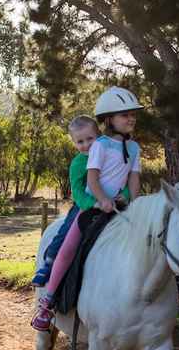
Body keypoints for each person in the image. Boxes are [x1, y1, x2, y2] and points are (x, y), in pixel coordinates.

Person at [31, 86, 144, 331]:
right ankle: (48, 299)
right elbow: (89, 182)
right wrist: (100, 201)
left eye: (132, 114)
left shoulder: (134, 148)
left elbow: (133, 179)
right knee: (68, 244)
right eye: (125, 115)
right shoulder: (99, 147)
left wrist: (132, 202)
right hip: (91, 207)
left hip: (120, 205)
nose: (131, 118)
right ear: (109, 120)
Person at [31, 115, 131, 287]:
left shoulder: (110, 156)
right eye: (80, 141)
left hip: (115, 203)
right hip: (86, 205)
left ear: (99, 136)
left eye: (90, 139)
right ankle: (48, 264)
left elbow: (124, 180)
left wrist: (126, 195)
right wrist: (94, 203)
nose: (86, 145)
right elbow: (77, 191)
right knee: (65, 232)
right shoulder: (78, 163)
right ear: (74, 143)